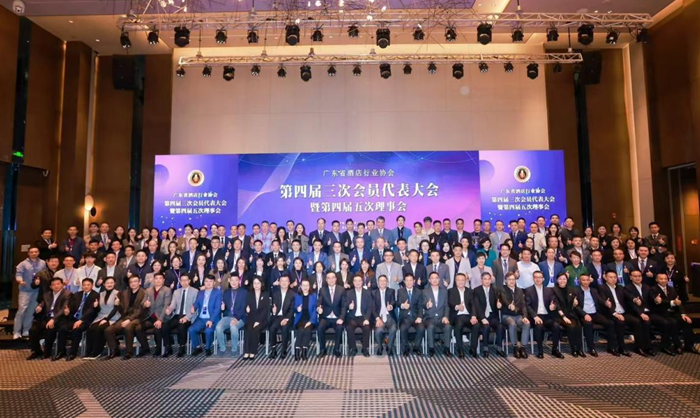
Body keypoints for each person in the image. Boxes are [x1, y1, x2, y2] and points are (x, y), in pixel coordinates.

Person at [649, 272, 699, 355]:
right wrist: (672, 302)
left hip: (672, 312)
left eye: (665, 279)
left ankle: (689, 346)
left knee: (686, 322)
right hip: (660, 313)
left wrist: (683, 314)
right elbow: (659, 302)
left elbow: (678, 303)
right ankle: (676, 345)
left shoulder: (671, 289)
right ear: (657, 280)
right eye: (661, 279)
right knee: (673, 323)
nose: (663, 280)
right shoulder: (653, 290)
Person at [26, 277, 72, 360]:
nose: (56, 286)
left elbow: (63, 309)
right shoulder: (46, 294)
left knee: (50, 329)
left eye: (58, 284)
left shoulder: (67, 294)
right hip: (47, 318)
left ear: (62, 285)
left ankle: (47, 352)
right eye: (53, 285)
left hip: (60, 319)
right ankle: (36, 351)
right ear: (50, 286)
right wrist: (40, 307)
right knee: (33, 330)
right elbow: (43, 303)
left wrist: (53, 319)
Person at [104, 275, 147, 360]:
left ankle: (129, 352)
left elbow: (140, 310)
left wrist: (129, 320)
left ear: (139, 282)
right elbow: (122, 310)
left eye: (135, 281)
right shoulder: (125, 293)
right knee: (108, 330)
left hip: (138, 317)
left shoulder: (144, 293)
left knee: (128, 328)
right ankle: (115, 350)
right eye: (131, 282)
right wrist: (118, 305)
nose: (133, 283)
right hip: (125, 317)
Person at [58, 278, 100, 361]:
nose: (86, 287)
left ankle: (73, 353)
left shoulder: (95, 295)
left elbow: (91, 310)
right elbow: (71, 307)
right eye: (84, 285)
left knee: (76, 330)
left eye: (88, 285)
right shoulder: (77, 294)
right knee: (62, 328)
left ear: (92, 286)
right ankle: (61, 351)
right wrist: (67, 312)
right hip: (74, 318)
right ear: (82, 286)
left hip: (86, 320)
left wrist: (81, 320)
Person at [597, 270, 636, 356]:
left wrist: (634, 299)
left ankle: (640, 346)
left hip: (622, 312)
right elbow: (603, 302)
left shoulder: (620, 287)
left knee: (637, 321)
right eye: (610, 277)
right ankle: (620, 347)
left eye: (615, 277)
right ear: (605, 278)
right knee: (619, 322)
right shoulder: (602, 288)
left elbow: (628, 296)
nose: (613, 279)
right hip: (610, 313)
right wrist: (615, 313)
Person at [524, 271, 561, 358]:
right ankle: (540, 350)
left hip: (547, 316)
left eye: (540, 277)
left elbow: (554, 302)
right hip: (535, 316)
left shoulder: (549, 290)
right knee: (539, 326)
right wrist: (535, 316)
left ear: (543, 279)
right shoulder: (528, 290)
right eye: (536, 277)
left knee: (556, 326)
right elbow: (527, 306)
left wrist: (553, 306)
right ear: (533, 279)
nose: (538, 279)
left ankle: (554, 349)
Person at [574, 274, 610, 357]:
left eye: (587, 280)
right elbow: (576, 306)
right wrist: (584, 314)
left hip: (594, 313)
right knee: (588, 324)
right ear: (579, 281)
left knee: (609, 323)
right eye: (583, 280)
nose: (586, 282)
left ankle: (612, 347)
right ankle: (591, 348)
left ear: (590, 281)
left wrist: (605, 303)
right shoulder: (576, 291)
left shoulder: (594, 290)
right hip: (583, 314)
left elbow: (600, 300)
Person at [14, 246, 46, 339]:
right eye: (31, 252)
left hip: (37, 291)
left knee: (31, 311)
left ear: (38, 252)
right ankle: (16, 331)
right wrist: (20, 280)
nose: (34, 253)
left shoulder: (43, 263)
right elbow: (18, 274)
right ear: (28, 253)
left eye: (36, 251)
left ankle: (26, 330)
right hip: (25, 290)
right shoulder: (23, 264)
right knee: (21, 311)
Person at [84, 276, 121, 359]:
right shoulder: (100, 294)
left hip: (113, 317)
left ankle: (97, 352)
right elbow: (99, 309)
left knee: (99, 329)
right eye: (107, 283)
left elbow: (116, 309)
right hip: (101, 316)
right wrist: (96, 306)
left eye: (111, 283)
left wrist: (106, 319)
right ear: (104, 284)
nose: (109, 284)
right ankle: (89, 351)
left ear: (114, 283)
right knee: (90, 329)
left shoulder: (118, 293)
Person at [163, 273, 198, 357]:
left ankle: (182, 347)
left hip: (189, 315)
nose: (184, 282)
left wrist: (187, 317)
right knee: (165, 326)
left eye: (186, 280)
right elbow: (173, 305)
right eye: (182, 280)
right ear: (180, 281)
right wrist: (169, 310)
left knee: (181, 326)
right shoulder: (176, 292)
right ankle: (168, 347)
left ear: (189, 281)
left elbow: (196, 308)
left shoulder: (195, 291)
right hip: (177, 315)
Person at [138, 272, 172, 357]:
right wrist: (145, 304)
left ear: (163, 280)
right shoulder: (148, 290)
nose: (158, 280)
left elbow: (166, 306)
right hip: (150, 316)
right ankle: (145, 348)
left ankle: (159, 349)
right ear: (153, 280)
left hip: (162, 317)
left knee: (157, 329)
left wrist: (160, 320)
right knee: (138, 328)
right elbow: (142, 303)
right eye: (156, 278)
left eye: (160, 278)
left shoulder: (167, 290)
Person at [551, 272, 584, 357]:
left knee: (578, 326)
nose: (562, 281)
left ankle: (579, 348)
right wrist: (563, 317)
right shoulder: (553, 290)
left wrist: (574, 304)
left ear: (567, 280)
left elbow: (573, 304)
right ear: (557, 280)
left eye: (564, 279)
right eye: (560, 279)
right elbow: (556, 305)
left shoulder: (571, 289)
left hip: (570, 314)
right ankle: (574, 349)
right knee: (571, 326)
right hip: (559, 315)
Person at [188, 275, 222, 356]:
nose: (208, 283)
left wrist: (211, 320)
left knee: (208, 331)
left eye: (211, 281)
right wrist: (194, 307)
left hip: (212, 318)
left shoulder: (218, 292)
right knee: (191, 329)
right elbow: (196, 303)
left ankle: (208, 348)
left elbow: (217, 309)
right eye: (206, 281)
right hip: (201, 318)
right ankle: (197, 347)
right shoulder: (200, 292)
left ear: (214, 283)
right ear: (204, 282)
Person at [472, 272, 505, 357]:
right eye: (485, 279)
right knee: (486, 327)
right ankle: (485, 349)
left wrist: (499, 305)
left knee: (500, 326)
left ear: (491, 280)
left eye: (488, 279)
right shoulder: (476, 290)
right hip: (481, 316)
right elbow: (477, 306)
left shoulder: (495, 290)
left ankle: (499, 348)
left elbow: (499, 302)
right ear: (481, 280)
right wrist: (482, 318)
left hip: (492, 316)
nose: (487, 281)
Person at [624, 270, 655, 356]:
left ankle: (648, 347)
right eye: (635, 276)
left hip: (647, 312)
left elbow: (651, 299)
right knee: (641, 323)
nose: (637, 278)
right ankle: (639, 347)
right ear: (630, 277)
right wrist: (640, 313)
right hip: (634, 312)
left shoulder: (647, 287)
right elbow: (630, 303)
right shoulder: (627, 288)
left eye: (639, 276)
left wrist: (656, 299)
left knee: (651, 322)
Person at [499, 272, 530, 358]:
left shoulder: (519, 290)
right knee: (512, 324)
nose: (511, 281)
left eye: (513, 279)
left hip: (518, 316)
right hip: (507, 315)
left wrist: (525, 316)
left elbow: (523, 305)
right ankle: (515, 347)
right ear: (506, 281)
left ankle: (523, 347)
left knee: (527, 323)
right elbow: (504, 300)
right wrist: (509, 305)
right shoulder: (502, 289)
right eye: (509, 279)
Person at [215, 275, 247, 356]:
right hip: (228, 316)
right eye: (232, 280)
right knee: (218, 327)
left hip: (240, 317)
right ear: (229, 281)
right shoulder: (226, 292)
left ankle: (234, 349)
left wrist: (236, 318)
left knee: (233, 326)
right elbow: (224, 307)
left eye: (236, 280)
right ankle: (222, 348)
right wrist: (222, 308)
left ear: (239, 281)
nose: (234, 282)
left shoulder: (244, 292)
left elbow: (244, 308)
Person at [447, 273, 477, 358]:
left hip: (468, 316)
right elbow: (450, 303)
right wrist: (457, 307)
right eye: (458, 280)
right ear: (455, 281)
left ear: (465, 281)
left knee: (476, 325)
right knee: (459, 324)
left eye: (462, 280)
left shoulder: (470, 291)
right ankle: (460, 349)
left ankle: (473, 348)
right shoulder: (450, 291)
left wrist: (473, 316)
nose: (460, 282)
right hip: (456, 316)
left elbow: (473, 305)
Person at [343, 274, 373, 357]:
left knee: (367, 327)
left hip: (363, 317)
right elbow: (344, 306)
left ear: (362, 282)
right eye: (355, 281)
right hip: (352, 317)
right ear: (353, 282)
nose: (357, 283)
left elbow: (369, 307)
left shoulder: (367, 292)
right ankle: (353, 348)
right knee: (349, 327)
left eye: (359, 281)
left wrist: (367, 318)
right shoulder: (349, 293)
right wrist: (349, 307)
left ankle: (365, 348)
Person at [317, 272, 345, 357]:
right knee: (320, 328)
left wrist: (341, 318)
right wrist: (318, 308)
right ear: (326, 280)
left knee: (339, 328)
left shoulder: (341, 289)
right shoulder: (322, 290)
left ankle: (336, 349)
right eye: (328, 278)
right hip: (326, 317)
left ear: (336, 279)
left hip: (337, 317)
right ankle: (323, 349)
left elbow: (344, 306)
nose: (331, 280)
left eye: (333, 277)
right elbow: (319, 302)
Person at [243, 277, 270, 360]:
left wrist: (258, 321)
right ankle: (247, 351)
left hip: (262, 319)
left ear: (261, 284)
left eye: (258, 283)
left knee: (255, 329)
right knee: (248, 328)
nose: (256, 285)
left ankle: (253, 351)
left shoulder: (265, 294)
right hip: (251, 318)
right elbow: (246, 306)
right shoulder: (249, 294)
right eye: (255, 283)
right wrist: (246, 309)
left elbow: (265, 310)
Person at [268, 275, 294, 359]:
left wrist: (286, 319)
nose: (284, 283)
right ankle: (273, 349)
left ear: (289, 282)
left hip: (288, 317)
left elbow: (292, 309)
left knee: (285, 328)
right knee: (272, 328)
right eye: (282, 281)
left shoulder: (293, 294)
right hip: (277, 316)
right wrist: (273, 310)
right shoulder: (275, 293)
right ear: (279, 282)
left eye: (286, 281)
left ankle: (284, 350)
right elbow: (272, 306)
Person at [293, 278, 318, 361]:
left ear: (309, 286)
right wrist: (297, 309)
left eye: (307, 285)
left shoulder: (313, 295)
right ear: (300, 286)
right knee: (301, 330)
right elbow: (293, 308)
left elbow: (315, 310)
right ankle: (297, 351)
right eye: (303, 285)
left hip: (310, 319)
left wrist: (311, 321)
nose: (305, 287)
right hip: (300, 319)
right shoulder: (297, 296)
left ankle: (304, 351)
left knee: (307, 330)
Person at [372, 275, 397, 356]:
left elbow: (393, 301)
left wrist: (391, 306)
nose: (382, 282)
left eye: (384, 281)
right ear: (378, 282)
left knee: (393, 329)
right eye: (381, 281)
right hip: (379, 316)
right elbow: (373, 308)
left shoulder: (391, 291)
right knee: (378, 331)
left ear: (387, 282)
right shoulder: (373, 293)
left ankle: (389, 347)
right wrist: (377, 318)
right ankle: (380, 347)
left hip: (389, 316)